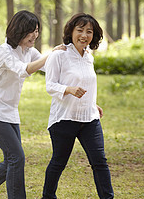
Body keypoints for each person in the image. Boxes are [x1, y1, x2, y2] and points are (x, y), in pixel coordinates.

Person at [0, 10, 64, 199]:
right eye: (31, 31)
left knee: (11, 160)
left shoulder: (29, 51)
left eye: (37, 30)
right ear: (18, 30)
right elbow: (23, 70)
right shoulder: (4, 51)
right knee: (17, 158)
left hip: (10, 112)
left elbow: (49, 68)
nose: (35, 35)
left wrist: (65, 56)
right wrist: (51, 54)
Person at [41, 13, 114, 199]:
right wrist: (69, 89)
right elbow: (50, 86)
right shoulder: (59, 55)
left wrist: (92, 104)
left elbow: (87, 83)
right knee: (59, 162)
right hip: (64, 118)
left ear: (94, 35)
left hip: (89, 118)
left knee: (100, 162)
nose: (84, 35)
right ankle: (47, 197)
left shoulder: (89, 57)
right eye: (80, 30)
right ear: (71, 32)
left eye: (89, 32)